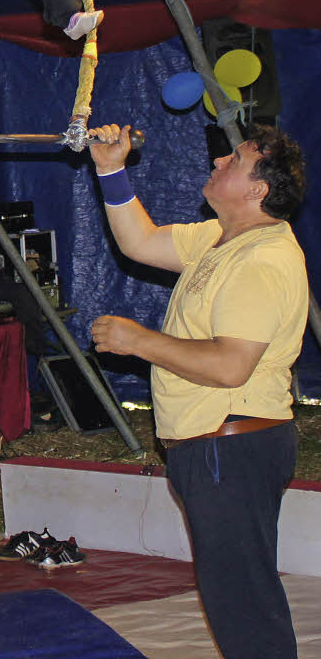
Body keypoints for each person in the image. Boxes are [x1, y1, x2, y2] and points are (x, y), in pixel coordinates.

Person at [88, 123, 308, 659]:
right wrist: (110, 168)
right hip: (214, 446)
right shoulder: (221, 239)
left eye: (233, 160)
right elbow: (139, 241)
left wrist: (141, 341)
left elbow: (232, 366)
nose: (216, 163)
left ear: (258, 189)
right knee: (236, 596)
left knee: (242, 603)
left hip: (230, 447)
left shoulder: (264, 259)